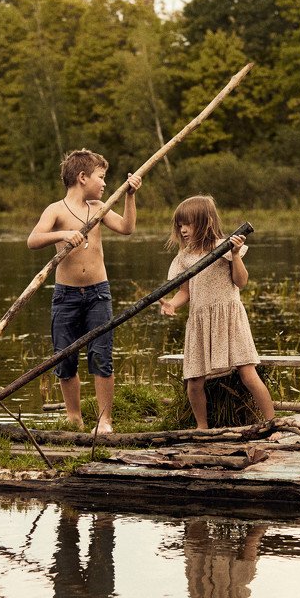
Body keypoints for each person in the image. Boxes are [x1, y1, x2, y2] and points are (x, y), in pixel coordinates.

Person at [27, 148, 141, 433]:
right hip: (65, 295)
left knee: (101, 355)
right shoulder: (55, 210)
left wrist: (130, 195)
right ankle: (74, 417)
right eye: (101, 177)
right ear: (81, 177)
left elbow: (127, 228)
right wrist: (63, 234)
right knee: (65, 358)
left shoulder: (99, 208)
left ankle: (104, 420)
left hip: (97, 294)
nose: (104, 184)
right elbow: (33, 240)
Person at [159, 195, 274, 428]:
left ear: (204, 222)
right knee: (194, 380)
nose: (182, 229)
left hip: (229, 317)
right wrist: (172, 303)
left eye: (188, 224)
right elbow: (186, 292)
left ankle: (272, 423)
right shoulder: (184, 257)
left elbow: (241, 282)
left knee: (248, 373)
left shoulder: (224, 248)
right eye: (180, 225)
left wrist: (234, 256)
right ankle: (203, 428)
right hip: (200, 321)